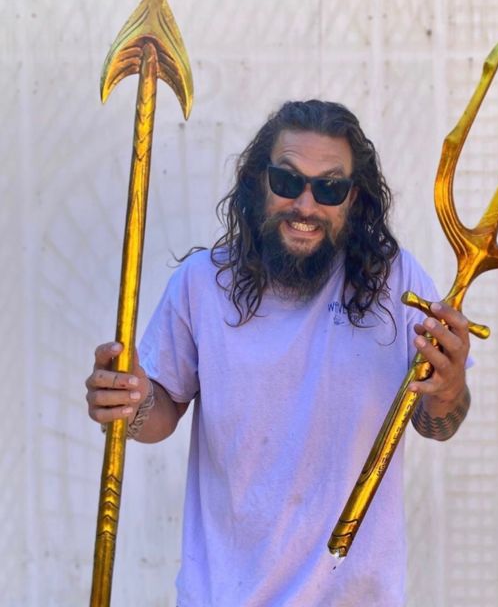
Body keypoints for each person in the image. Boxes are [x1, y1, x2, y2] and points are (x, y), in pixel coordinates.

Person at [86, 99, 471, 606]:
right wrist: (131, 402)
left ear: (354, 198)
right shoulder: (202, 284)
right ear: (259, 182)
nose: (305, 206)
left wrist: (448, 388)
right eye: (287, 181)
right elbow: (162, 414)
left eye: (329, 188)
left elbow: (435, 424)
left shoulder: (396, 283)